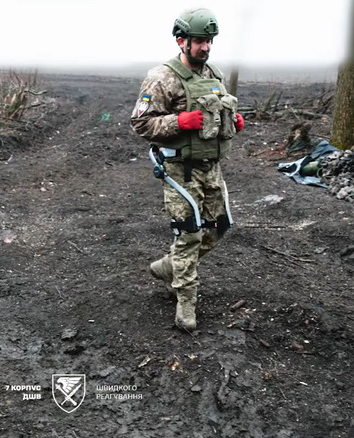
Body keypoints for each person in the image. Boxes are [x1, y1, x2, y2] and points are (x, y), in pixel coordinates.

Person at [130, 8, 244, 331]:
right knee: (189, 234)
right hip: (179, 168)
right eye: (198, 41)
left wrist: (232, 123)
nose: (205, 47)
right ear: (181, 41)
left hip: (211, 167)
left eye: (208, 41)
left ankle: (170, 265)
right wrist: (178, 121)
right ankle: (185, 304)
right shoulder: (161, 78)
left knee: (219, 226)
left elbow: (218, 115)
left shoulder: (214, 76)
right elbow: (140, 122)